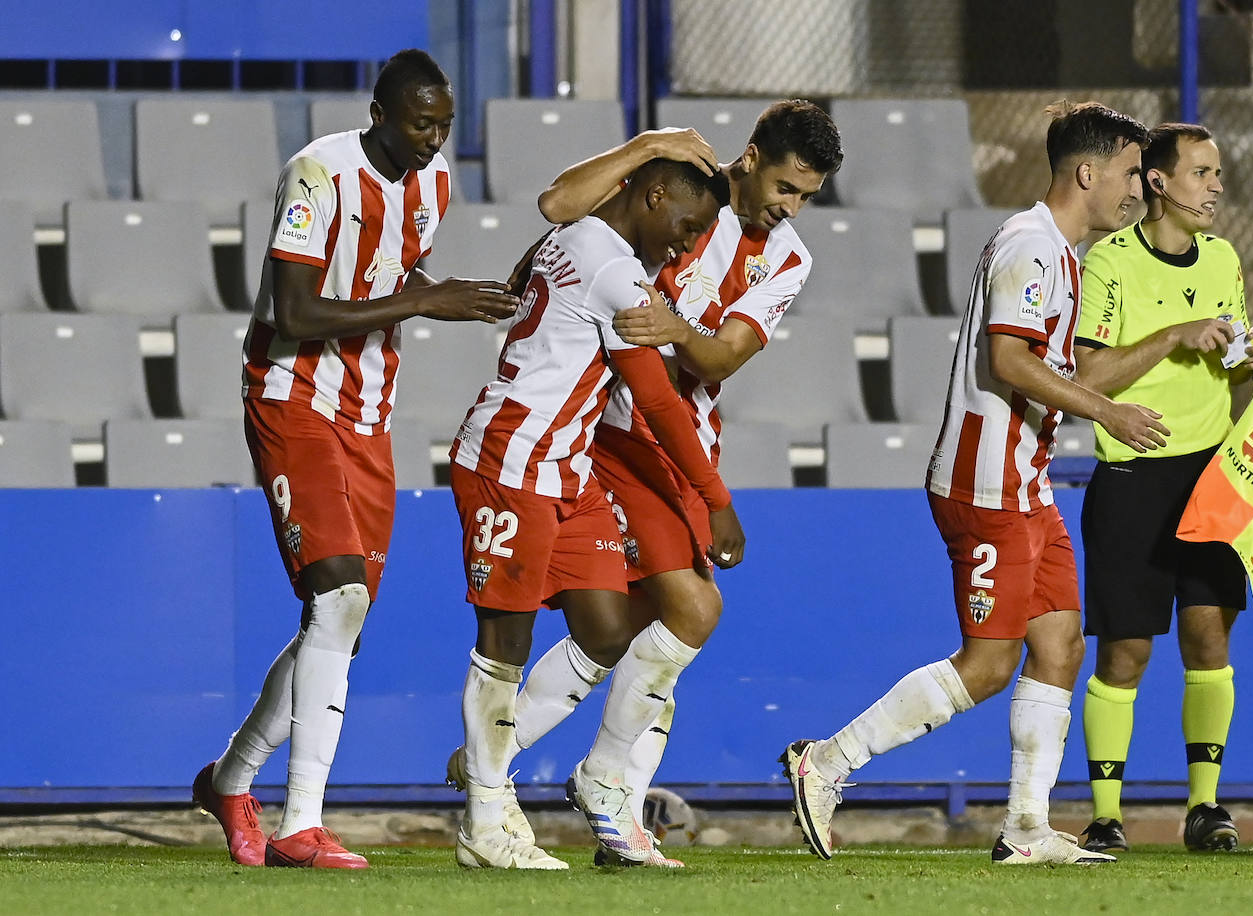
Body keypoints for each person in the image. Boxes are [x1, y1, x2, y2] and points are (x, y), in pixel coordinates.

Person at [443, 100, 844, 867]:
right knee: (689, 608)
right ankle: (590, 787)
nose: (791, 209)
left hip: (671, 441)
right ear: (750, 157)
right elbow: (563, 211)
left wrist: (676, 330)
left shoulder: (789, 257)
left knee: (625, 626)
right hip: (605, 436)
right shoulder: (678, 188)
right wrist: (651, 142)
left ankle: (522, 762)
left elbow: (717, 359)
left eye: (808, 198)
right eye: (788, 188)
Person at [781, 101, 1169, 866]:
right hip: (983, 485)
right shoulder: (1030, 246)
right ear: (1086, 173)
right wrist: (1107, 414)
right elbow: (1009, 361)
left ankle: (1026, 827)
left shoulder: (1061, 253)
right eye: (1129, 173)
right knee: (989, 664)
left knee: (1059, 645)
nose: (1137, 189)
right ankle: (825, 762)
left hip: (1026, 483)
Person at [190, 49, 519, 869]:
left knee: (341, 619)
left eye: (445, 123)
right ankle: (301, 823)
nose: (435, 139)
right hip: (291, 397)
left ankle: (232, 781)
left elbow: (388, 274)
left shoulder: (435, 183)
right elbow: (296, 312)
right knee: (336, 597)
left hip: (369, 415)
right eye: (420, 122)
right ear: (378, 113)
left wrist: (451, 295)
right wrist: (424, 301)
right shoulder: (317, 174)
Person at [449, 157, 743, 869]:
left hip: (565, 468)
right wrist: (717, 501)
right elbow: (661, 404)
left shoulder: (576, 236)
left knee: (607, 626)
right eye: (688, 224)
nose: (688, 243)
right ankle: (486, 820)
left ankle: (492, 765)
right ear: (653, 194)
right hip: (511, 460)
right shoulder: (619, 276)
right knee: (504, 641)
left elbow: (531, 268)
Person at [1073, 123, 1253, 854]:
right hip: (1134, 474)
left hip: (1213, 475)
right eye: (1202, 172)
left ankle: (1205, 808)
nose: (1216, 185)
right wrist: (1172, 335)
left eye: (1219, 173)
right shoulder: (1110, 262)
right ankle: (1105, 816)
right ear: (1158, 181)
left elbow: (1239, 366)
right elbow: (1087, 380)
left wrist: (1252, 361)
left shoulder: (1223, 259)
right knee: (1125, 651)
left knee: (1209, 638)